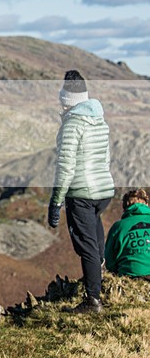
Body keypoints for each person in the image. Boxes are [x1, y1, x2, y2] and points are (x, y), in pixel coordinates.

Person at [47, 70, 115, 314]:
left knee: (85, 246)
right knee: (95, 240)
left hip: (81, 192)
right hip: (103, 190)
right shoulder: (99, 120)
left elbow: (65, 167)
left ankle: (92, 300)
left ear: (66, 101)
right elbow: (105, 157)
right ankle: (99, 279)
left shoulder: (71, 126)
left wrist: (55, 203)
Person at [104, 189, 150, 279]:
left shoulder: (118, 227)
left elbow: (110, 262)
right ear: (146, 204)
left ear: (125, 207)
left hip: (130, 277)